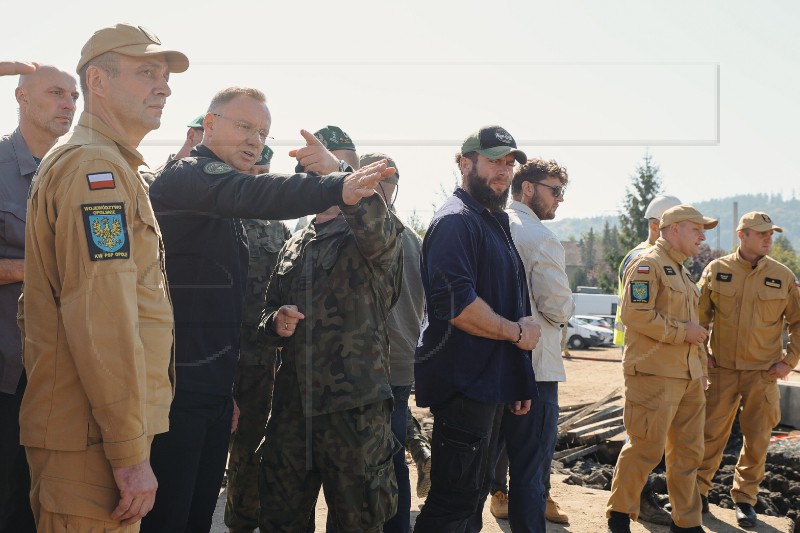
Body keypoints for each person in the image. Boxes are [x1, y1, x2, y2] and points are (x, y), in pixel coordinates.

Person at [144, 89, 395, 532]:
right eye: (244, 127)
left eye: (261, 132)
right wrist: (335, 182)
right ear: (211, 123)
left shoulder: (360, 236)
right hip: (181, 389)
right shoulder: (191, 177)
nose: (254, 140)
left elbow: (240, 305)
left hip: (340, 410)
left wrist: (229, 389)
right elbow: (255, 193)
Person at [18, 23, 188, 531]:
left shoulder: (101, 162)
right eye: (146, 73)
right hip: (92, 442)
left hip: (86, 431)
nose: (163, 86)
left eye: (164, 75)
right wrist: (128, 452)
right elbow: (102, 320)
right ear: (98, 80)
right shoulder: (97, 169)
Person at [257, 152, 403, 532]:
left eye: (323, 176)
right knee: (279, 519)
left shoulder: (371, 235)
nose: (317, 183)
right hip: (292, 411)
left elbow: (380, 232)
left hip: (354, 413)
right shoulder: (295, 242)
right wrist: (277, 321)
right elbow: (267, 311)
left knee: (358, 522)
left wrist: (342, 176)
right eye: (309, 177)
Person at [413, 125, 541, 533]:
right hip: (465, 387)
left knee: (472, 498)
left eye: (509, 162)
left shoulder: (492, 220)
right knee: (453, 503)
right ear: (465, 163)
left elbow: (507, 301)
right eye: (494, 161)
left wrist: (517, 380)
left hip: (491, 386)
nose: (504, 170)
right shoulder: (456, 221)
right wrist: (518, 335)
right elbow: (459, 307)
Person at [606, 204, 717, 533]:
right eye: (695, 228)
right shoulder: (647, 265)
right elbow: (636, 315)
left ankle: (687, 522)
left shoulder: (683, 271)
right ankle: (620, 514)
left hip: (688, 379)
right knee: (645, 447)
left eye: (703, 230)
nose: (702, 235)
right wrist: (684, 332)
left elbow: (696, 330)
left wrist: (700, 369)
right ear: (671, 230)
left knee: (688, 452)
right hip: (653, 375)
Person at [0, 64, 77, 533]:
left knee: (47, 500)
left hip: (63, 372)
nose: (68, 103)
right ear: (22, 97)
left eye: (72, 95)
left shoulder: (78, 170)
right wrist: (34, 271)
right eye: (55, 92)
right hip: (8, 371)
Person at [696, 211, 800, 528]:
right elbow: (699, 318)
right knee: (710, 435)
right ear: (742, 235)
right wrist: (703, 355)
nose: (769, 238)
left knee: (757, 440)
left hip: (763, 374)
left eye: (771, 234)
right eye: (762, 233)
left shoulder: (783, 276)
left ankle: (744, 500)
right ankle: (697, 495)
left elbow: (798, 323)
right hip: (722, 371)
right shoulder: (717, 270)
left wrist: (788, 362)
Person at [489, 158, 574, 530]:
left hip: (488, 365)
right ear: (527, 188)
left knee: (480, 469)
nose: (559, 199)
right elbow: (557, 308)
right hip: (535, 370)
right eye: (554, 190)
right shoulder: (540, 237)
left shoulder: (486, 225)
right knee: (530, 475)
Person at [224, 143, 292, 533]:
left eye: (260, 171)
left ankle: (240, 523)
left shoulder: (277, 227)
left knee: (250, 449)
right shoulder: (214, 216)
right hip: (211, 355)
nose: (254, 178)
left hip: (260, 358)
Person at [360, 152, 424, 533]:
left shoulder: (372, 232)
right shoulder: (411, 235)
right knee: (394, 456)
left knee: (371, 462)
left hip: (374, 364)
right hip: (401, 363)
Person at [612, 193, 682, 526]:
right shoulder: (643, 259)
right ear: (656, 226)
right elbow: (642, 314)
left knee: (647, 434)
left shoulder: (666, 259)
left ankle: (636, 501)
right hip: (645, 360)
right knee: (642, 437)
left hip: (655, 359)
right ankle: (635, 503)